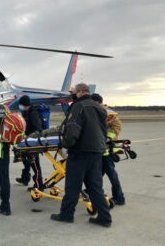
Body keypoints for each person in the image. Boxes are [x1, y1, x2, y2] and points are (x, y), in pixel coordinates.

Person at [50, 83, 112, 227]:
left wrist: (66, 145)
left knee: (73, 186)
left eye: (73, 92)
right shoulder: (100, 108)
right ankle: (105, 217)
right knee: (95, 187)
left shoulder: (78, 106)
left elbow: (72, 130)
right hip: (97, 152)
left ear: (78, 92)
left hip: (80, 152)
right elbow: (104, 131)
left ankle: (66, 214)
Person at [92, 93, 125, 205]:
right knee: (97, 173)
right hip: (99, 148)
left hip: (107, 149)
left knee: (111, 174)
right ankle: (94, 190)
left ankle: (119, 197)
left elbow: (117, 126)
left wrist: (106, 138)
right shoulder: (96, 111)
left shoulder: (108, 113)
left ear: (97, 102)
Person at [15, 95, 44, 190]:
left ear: (24, 104)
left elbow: (38, 129)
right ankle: (25, 178)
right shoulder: (26, 112)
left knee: (35, 164)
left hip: (33, 143)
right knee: (26, 161)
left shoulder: (33, 113)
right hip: (27, 142)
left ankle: (39, 185)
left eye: (21, 105)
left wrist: (31, 139)